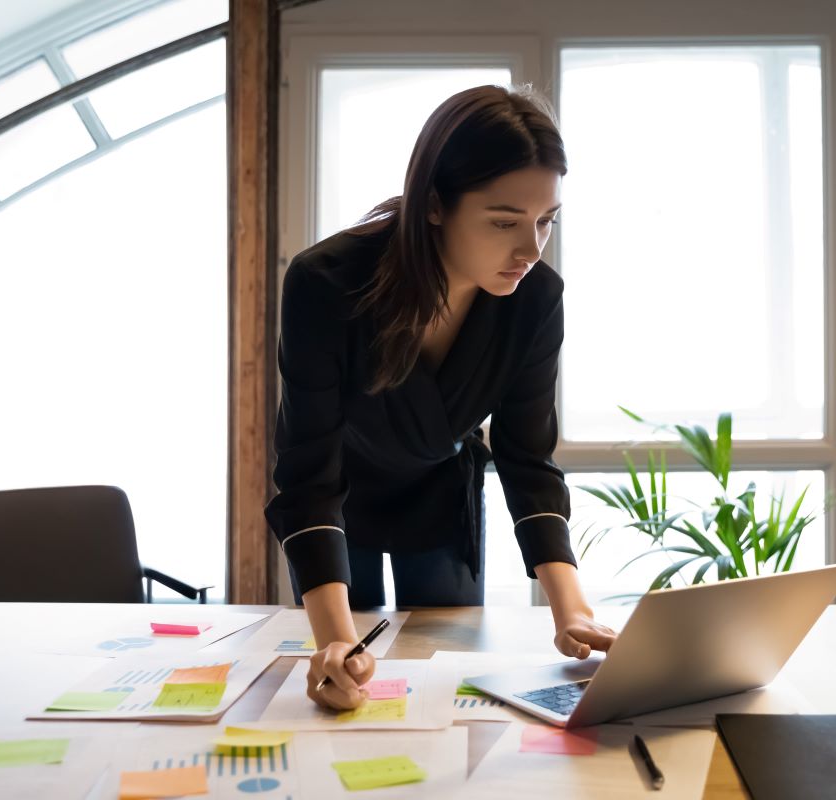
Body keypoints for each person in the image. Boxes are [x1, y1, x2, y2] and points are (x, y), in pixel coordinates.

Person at [264, 83, 617, 711]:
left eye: (546, 221)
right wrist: (335, 651)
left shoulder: (536, 299)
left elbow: (527, 457)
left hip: (440, 492)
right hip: (338, 498)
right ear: (433, 205)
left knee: (445, 679)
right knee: (348, 673)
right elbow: (308, 472)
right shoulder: (325, 283)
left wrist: (573, 611)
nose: (531, 249)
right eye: (505, 221)